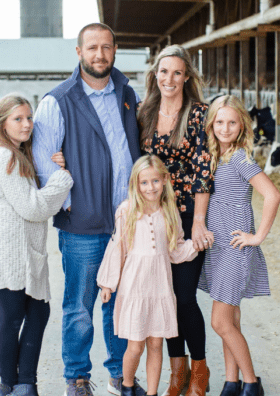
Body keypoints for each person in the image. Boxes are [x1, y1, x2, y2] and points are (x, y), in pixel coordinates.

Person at [32, 22, 145, 396]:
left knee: (122, 303)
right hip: (82, 223)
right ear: (79, 52)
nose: (100, 55)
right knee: (79, 305)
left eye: (107, 47)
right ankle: (77, 376)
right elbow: (43, 160)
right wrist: (70, 203)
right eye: (92, 48)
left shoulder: (127, 94)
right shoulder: (58, 100)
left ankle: (119, 374)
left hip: (127, 222)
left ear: (115, 51)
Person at [0, 94, 74, 396]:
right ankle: (10, 386)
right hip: (10, 251)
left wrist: (50, 165)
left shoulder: (18, 154)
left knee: (37, 313)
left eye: (29, 117)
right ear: (2, 123)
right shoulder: (4, 156)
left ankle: (25, 384)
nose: (27, 124)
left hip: (24, 250)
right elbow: (33, 207)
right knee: (12, 318)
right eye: (18, 119)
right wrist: (62, 180)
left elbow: (32, 193)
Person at [137, 45, 214, 396]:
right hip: (155, 215)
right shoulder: (144, 113)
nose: (169, 79)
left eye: (177, 73)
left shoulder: (199, 113)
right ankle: (176, 372)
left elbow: (203, 170)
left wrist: (198, 220)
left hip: (186, 213)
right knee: (163, 296)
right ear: (156, 75)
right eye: (163, 72)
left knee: (183, 297)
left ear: (186, 77)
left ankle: (199, 370)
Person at [96, 155, 204, 396]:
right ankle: (126, 386)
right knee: (135, 346)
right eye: (144, 182)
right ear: (135, 184)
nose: (150, 187)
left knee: (156, 344)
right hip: (135, 287)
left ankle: (153, 393)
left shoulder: (169, 211)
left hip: (160, 287)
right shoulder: (127, 211)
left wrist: (196, 245)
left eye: (155, 181)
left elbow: (175, 250)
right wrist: (107, 284)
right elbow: (117, 248)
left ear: (164, 180)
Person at [197, 95, 280, 396]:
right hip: (217, 248)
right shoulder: (214, 156)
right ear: (211, 124)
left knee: (220, 321)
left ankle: (250, 383)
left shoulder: (240, 158)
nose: (225, 127)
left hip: (235, 248)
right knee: (230, 320)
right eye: (219, 121)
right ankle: (231, 382)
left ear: (242, 125)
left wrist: (257, 237)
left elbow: (272, 195)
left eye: (232, 122)